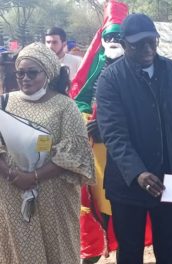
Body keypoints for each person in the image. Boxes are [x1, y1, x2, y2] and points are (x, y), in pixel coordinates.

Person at [96, 13, 172, 264]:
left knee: (170, 250)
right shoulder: (110, 79)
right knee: (130, 252)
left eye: (151, 41)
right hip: (128, 184)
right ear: (123, 45)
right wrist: (137, 173)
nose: (147, 49)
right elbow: (114, 133)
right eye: (138, 44)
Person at [0, 42, 94, 264]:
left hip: (54, 195)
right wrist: (15, 176)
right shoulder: (4, 103)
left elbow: (76, 153)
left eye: (32, 72)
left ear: (49, 72)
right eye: (20, 73)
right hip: (12, 192)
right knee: (19, 248)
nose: (25, 78)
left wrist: (32, 177)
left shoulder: (65, 107)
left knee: (58, 249)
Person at [68, 0, 128, 262]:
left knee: (122, 213)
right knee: (92, 206)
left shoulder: (134, 69)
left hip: (125, 152)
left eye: (118, 35)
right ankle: (92, 253)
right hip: (93, 151)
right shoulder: (94, 66)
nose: (113, 40)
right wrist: (84, 119)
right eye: (109, 36)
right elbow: (78, 98)